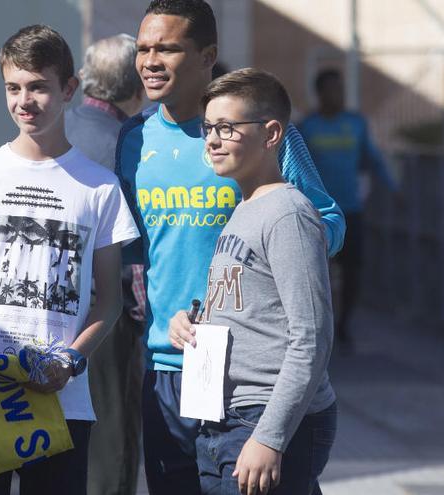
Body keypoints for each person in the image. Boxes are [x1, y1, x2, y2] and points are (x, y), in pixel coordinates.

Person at [114, 1, 345, 493]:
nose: (150, 61)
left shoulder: (257, 133)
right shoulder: (133, 139)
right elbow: (141, 249)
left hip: (251, 378)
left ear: (207, 55)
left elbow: (325, 220)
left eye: (168, 48)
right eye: (144, 49)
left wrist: (276, 261)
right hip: (171, 367)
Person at [0, 24, 139, 495]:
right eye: (13, 87)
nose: (24, 100)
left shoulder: (99, 186)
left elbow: (108, 301)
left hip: (61, 403)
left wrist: (71, 360)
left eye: (39, 86)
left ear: (69, 89)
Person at [169, 68, 337, 495]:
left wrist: (270, 436)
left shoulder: (288, 213)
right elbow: (251, 308)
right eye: (208, 128)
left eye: (227, 128)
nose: (211, 140)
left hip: (263, 419)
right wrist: (190, 322)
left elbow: (312, 335)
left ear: (271, 133)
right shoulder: (245, 208)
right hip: (224, 418)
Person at [63, 33, 145, 495]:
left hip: (48, 307)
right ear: (136, 84)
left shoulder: (57, 130)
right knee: (112, 434)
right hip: (105, 310)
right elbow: (133, 247)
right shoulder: (127, 144)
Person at [299, 68, 398, 349]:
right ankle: (320, 328)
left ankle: (344, 325)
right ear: (319, 93)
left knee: (353, 271)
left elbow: (373, 159)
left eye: (341, 89)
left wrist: (393, 187)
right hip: (316, 213)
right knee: (318, 274)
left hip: (351, 210)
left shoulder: (356, 123)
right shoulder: (308, 126)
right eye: (332, 89)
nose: (338, 95)